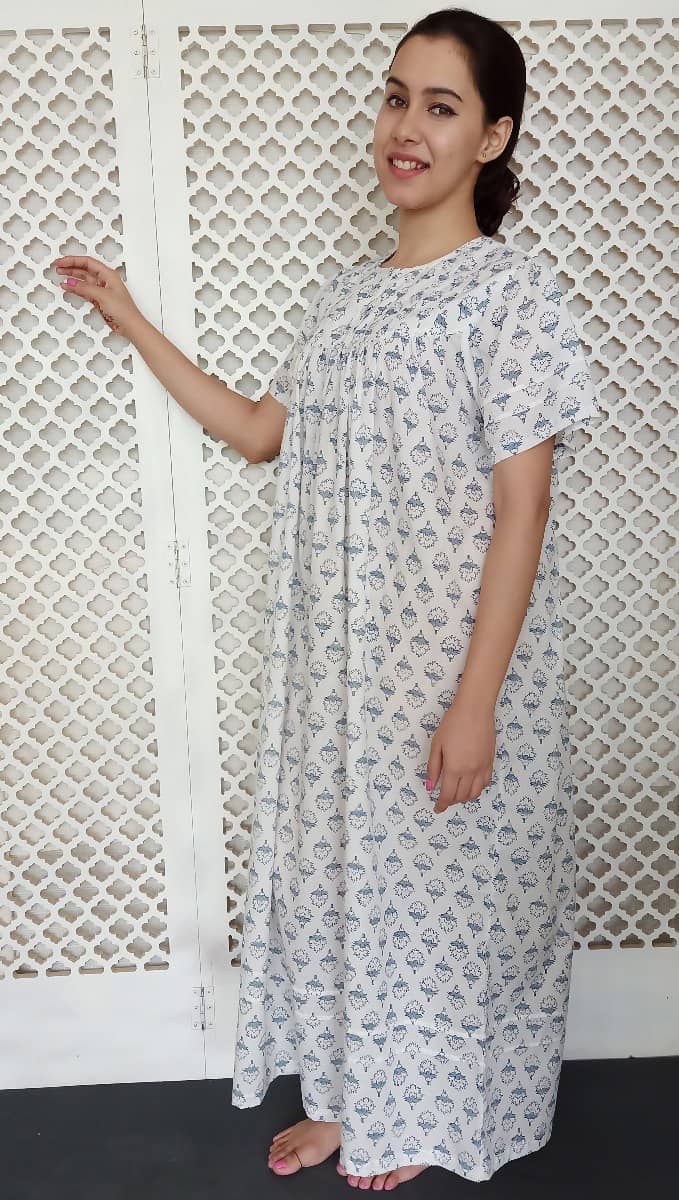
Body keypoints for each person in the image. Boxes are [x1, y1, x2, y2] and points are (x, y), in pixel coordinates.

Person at [50, 7, 602, 1190]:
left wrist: (475, 705)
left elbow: (524, 511)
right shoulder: (341, 302)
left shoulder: (512, 295)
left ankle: (434, 1120)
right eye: (395, 97)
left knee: (457, 913)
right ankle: (362, 1107)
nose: (406, 127)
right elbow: (262, 433)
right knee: (361, 905)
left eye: (441, 107)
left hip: (455, 673)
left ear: (492, 138)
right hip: (347, 687)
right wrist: (127, 313)